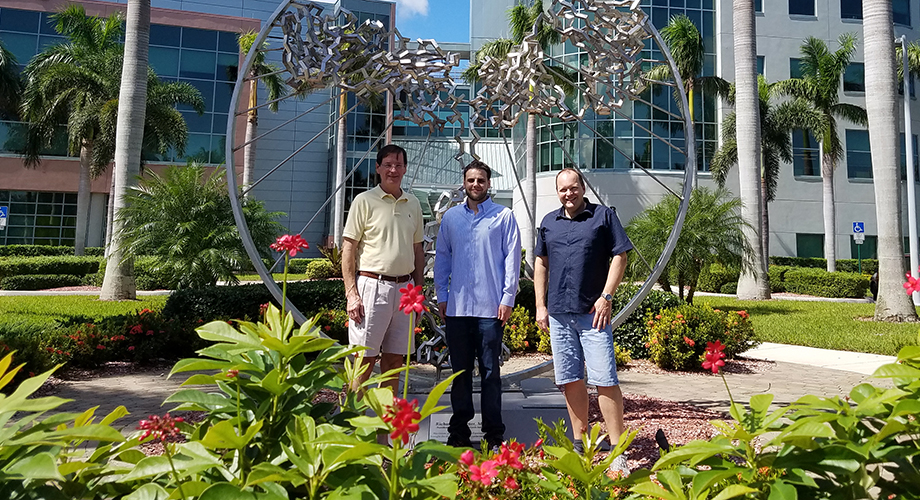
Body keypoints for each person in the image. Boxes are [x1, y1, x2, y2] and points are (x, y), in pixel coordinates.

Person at [534, 168, 632, 476]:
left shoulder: (603, 217)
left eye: (573, 187)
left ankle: (618, 453)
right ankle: (581, 447)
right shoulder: (549, 222)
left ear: (582, 187)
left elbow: (621, 256)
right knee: (570, 381)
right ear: (558, 192)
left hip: (594, 316)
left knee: (605, 380)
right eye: (562, 189)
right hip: (560, 315)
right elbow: (541, 263)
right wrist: (540, 305)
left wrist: (607, 296)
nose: (568, 193)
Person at [434, 160, 521, 449]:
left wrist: (507, 299)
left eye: (481, 180)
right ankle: (459, 434)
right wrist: (442, 297)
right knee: (459, 375)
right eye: (470, 180)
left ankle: (494, 435)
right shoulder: (451, 219)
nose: (475, 185)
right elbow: (442, 258)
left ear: (489, 183)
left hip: (490, 310)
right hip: (457, 310)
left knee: (490, 375)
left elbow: (512, 261)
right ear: (464, 183)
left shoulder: (504, 216)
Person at [342, 144, 425, 397]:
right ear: (378, 168)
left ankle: (384, 429)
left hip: (405, 291)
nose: (393, 170)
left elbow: (418, 252)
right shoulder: (364, 201)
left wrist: (418, 295)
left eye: (399, 165)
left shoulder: (414, 204)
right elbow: (348, 249)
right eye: (388, 164)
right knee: (363, 361)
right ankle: (353, 424)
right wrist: (351, 294)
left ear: (405, 169)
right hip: (371, 287)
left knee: (394, 363)